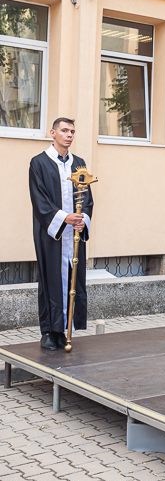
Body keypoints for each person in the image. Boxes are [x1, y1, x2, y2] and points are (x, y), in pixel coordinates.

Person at [29, 118, 94, 351]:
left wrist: (83, 220)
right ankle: (48, 331)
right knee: (50, 279)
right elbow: (39, 199)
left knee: (73, 279)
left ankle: (66, 329)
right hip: (51, 232)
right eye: (64, 130)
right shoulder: (39, 163)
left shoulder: (79, 164)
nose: (69, 135)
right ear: (52, 133)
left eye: (72, 131)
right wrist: (64, 218)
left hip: (74, 233)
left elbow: (87, 198)